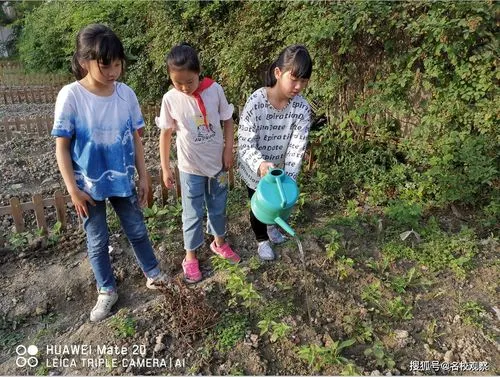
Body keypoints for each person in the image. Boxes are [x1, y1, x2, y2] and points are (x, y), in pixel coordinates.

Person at [52, 24, 168, 322]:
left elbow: (136, 139)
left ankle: (153, 274)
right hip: (87, 186)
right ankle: (107, 290)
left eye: (118, 63)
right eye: (106, 65)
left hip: (123, 180)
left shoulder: (126, 95)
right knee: (97, 239)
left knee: (138, 230)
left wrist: (144, 176)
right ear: (83, 62)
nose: (114, 71)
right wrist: (72, 189)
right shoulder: (71, 96)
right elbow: (62, 147)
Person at [157, 43, 240, 284]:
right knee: (192, 212)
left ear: (199, 71)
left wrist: (228, 150)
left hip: (218, 166)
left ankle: (219, 243)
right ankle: (190, 256)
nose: (184, 87)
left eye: (189, 82)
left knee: (218, 205)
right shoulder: (170, 99)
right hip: (190, 168)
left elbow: (227, 121)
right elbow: (165, 134)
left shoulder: (214, 91)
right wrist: (164, 167)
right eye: (177, 82)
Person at [238, 44, 313, 261]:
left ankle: (273, 228)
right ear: (278, 73)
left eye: (304, 82)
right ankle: (261, 239)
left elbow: (296, 149)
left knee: (279, 203)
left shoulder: (302, 109)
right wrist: (260, 164)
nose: (298, 86)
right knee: (259, 205)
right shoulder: (256, 103)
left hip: (280, 169)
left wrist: (288, 182)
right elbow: (245, 144)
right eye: (294, 79)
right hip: (256, 169)